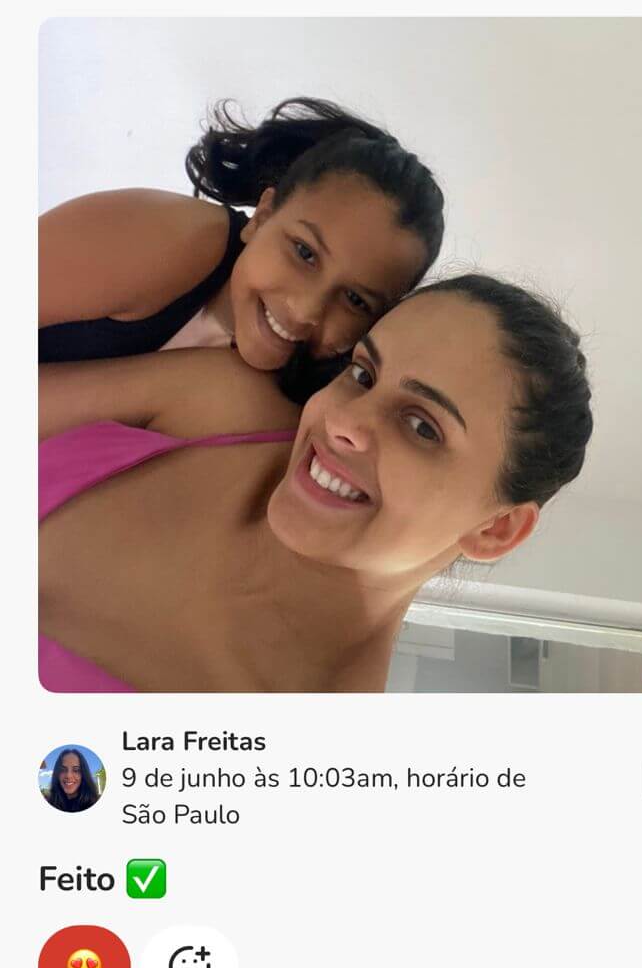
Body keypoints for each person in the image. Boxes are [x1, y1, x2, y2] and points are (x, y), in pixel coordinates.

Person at [39, 274, 593, 693]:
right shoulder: (218, 405)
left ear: (496, 529)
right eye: (363, 374)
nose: (343, 421)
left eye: (423, 426)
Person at [38, 97, 445, 402]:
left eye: (356, 300)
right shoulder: (170, 240)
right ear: (263, 217)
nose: (306, 311)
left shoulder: (300, 404)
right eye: (305, 253)